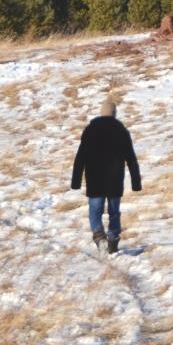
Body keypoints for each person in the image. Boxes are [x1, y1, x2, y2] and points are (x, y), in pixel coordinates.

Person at [71, 99, 141, 255]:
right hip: (115, 180)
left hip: (95, 179)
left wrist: (76, 181)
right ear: (114, 114)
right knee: (114, 212)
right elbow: (131, 158)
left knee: (95, 211)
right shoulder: (121, 131)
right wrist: (136, 182)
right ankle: (113, 240)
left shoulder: (90, 130)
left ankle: (99, 237)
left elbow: (80, 157)